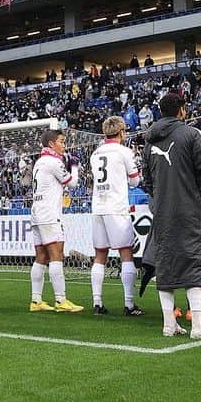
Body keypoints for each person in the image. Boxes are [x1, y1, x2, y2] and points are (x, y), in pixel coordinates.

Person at [141, 92, 201, 339]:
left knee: (165, 263)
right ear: (182, 110)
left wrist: (158, 202)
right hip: (189, 210)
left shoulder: (149, 142)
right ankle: (197, 324)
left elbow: (148, 180)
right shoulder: (192, 135)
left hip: (163, 212)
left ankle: (168, 324)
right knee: (194, 261)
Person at [89, 115, 144, 317]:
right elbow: (135, 181)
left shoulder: (95, 153)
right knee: (126, 253)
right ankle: (129, 304)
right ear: (122, 132)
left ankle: (97, 302)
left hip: (98, 207)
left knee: (100, 255)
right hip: (116, 207)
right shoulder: (124, 151)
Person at [29, 128, 84, 313]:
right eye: (61, 141)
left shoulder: (39, 162)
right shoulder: (53, 161)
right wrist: (74, 166)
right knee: (56, 255)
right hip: (49, 214)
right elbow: (73, 183)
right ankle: (61, 300)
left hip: (37, 213)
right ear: (51, 144)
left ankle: (36, 301)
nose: (64, 145)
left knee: (41, 257)